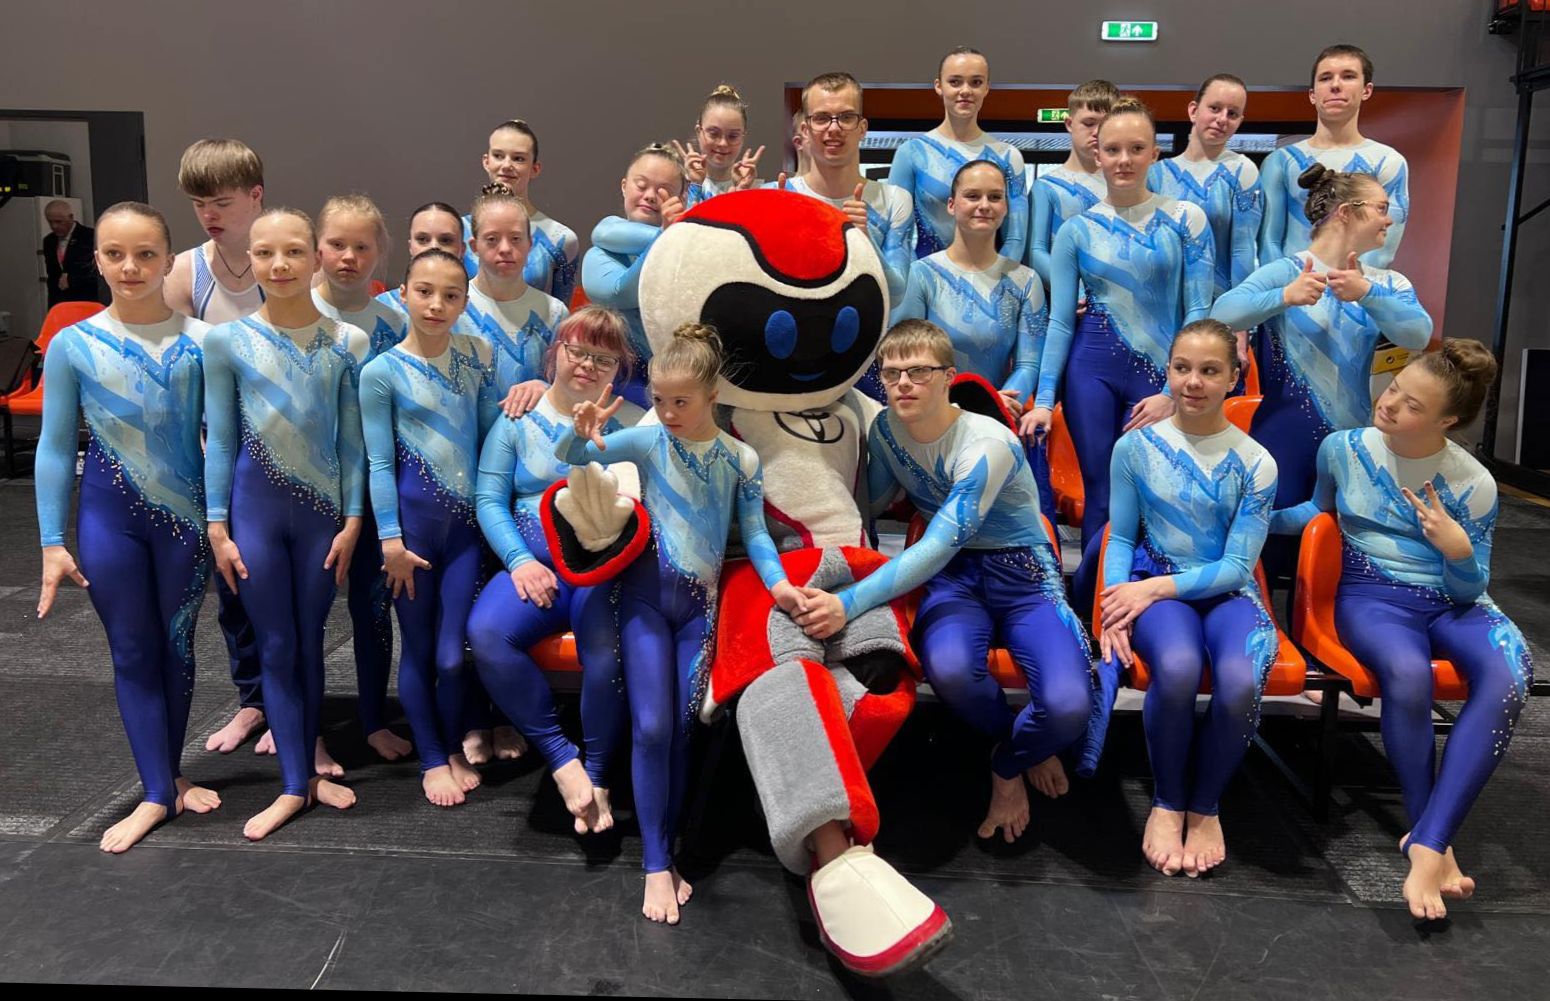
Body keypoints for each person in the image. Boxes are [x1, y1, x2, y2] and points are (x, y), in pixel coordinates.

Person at [794, 319, 1094, 844]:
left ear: (949, 377)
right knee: (952, 671)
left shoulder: (987, 443)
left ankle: (1007, 763)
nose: (903, 383)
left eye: (918, 372)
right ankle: (1017, 746)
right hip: (954, 577)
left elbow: (938, 544)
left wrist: (849, 602)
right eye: (891, 373)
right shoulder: (886, 430)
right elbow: (871, 504)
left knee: (1068, 706)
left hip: (1022, 573)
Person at [1272, 341, 1533, 921]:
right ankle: (1431, 837)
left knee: (1512, 673)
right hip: (1372, 598)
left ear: (1447, 422)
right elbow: (1316, 512)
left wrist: (1458, 551)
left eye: (1412, 405)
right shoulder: (1344, 448)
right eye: (1393, 389)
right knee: (1408, 674)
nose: (1389, 405)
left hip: (1454, 602)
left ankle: (1429, 842)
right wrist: (1253, 516)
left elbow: (1468, 588)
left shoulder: (1474, 483)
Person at [557, 324, 799, 925]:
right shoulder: (648, 441)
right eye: (660, 400)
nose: (667, 413)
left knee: (684, 731)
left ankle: (670, 846)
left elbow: (757, 534)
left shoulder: (741, 459)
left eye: (681, 402)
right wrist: (579, 434)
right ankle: (655, 864)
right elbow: (574, 460)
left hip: (698, 610)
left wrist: (778, 584)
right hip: (643, 603)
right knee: (651, 728)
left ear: (713, 395)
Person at [34, 202, 218, 853]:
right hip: (109, 519)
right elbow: (56, 446)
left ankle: (168, 775)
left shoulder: (204, 342)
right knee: (133, 651)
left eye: (145, 254)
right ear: (98, 260)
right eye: (115, 254)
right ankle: (157, 792)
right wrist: (51, 540)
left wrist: (224, 523)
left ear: (169, 260)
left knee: (177, 645)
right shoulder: (73, 344)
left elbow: (225, 443)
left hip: (185, 523)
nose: (131, 266)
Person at [203, 207, 368, 840]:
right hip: (255, 515)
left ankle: (305, 772)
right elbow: (221, 441)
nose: (279, 265)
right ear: (251, 259)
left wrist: (353, 519)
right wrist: (218, 526)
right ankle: (295, 785)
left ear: (316, 257)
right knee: (275, 643)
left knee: (310, 640)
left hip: (324, 519)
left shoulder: (347, 342)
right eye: (266, 253)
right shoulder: (226, 342)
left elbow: (352, 443)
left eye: (294, 252)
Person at [1097, 319, 1279, 879]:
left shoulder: (1257, 462)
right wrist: (1113, 607)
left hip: (1226, 591)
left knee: (1241, 681)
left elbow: (1236, 567)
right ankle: (1168, 800)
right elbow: (1121, 538)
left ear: (1234, 378)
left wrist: (1150, 588)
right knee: (1176, 668)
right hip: (1157, 583)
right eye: (1182, 368)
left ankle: (1205, 806)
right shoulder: (1134, 448)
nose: (1193, 382)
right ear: (1168, 371)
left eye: (1209, 370)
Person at [1024, 97, 1215, 606]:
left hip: (1161, 377)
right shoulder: (1076, 231)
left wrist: (1175, 391)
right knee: (1101, 491)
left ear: (1155, 153)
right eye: (1113, 149)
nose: (1124, 159)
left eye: (1136, 148)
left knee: (1158, 492)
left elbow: (1199, 312)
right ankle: (1097, 603)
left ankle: (1152, 601)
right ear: (1097, 153)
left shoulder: (1186, 220)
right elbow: (1060, 322)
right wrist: (1045, 399)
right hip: (1091, 374)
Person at [468, 306, 644, 834]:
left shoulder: (632, 424)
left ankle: (598, 775)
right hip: (533, 567)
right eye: (577, 351)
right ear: (555, 353)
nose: (587, 365)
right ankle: (561, 756)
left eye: (603, 359)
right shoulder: (518, 418)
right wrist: (519, 561)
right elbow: (489, 500)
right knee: (486, 633)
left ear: (620, 368)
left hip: (602, 572)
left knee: (605, 654)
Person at [1210, 165, 1432, 530]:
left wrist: (1368, 294)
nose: (1389, 220)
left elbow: (1418, 335)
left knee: (1339, 542)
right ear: (1346, 212)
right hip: (1284, 437)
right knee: (1273, 542)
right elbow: (1222, 314)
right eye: (1380, 208)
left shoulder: (1386, 283)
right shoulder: (1287, 272)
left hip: (1354, 441)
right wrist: (1284, 296)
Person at [360, 248, 497, 807]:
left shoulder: (478, 354)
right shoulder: (381, 373)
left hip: (464, 531)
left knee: (451, 655)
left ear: (465, 302)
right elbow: (379, 464)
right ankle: (433, 758)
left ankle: (452, 744)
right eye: (424, 291)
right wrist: (390, 540)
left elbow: (489, 437)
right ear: (403, 294)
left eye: (451, 295)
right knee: (418, 650)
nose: (436, 304)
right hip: (411, 538)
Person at [164, 139, 270, 761]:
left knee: (285, 586)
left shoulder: (288, 259)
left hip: (282, 449)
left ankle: (292, 701)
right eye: (199, 203)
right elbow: (176, 373)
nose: (209, 214)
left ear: (256, 196)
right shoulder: (185, 271)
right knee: (231, 585)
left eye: (222, 202)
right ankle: (252, 699)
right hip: (215, 446)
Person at [312, 194, 412, 762]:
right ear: (318, 248)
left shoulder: (395, 323)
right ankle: (302, 726)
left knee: (373, 608)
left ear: (380, 252)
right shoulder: (292, 311)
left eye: (361, 246)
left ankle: (374, 717)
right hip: (307, 486)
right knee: (306, 614)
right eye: (337, 244)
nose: (348, 257)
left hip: (374, 483)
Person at [895, 160, 1045, 414]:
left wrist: (993, 405)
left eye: (995, 197)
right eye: (973, 196)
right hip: (932, 413)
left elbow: (1029, 365)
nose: (984, 205)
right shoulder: (922, 275)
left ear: (1005, 207)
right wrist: (961, 404)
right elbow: (906, 355)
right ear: (951, 205)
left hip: (998, 414)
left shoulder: (1026, 281)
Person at [776, 72, 914, 314]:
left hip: (864, 336)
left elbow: (896, 295)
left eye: (846, 117)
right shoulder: (775, 196)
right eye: (821, 118)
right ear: (805, 129)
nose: (834, 128)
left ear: (862, 128)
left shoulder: (894, 200)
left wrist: (866, 241)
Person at [1260, 44, 1408, 268]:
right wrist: (1287, 286)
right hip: (1293, 284)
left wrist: (1351, 286)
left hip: (1358, 285)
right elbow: (1268, 242)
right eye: (1325, 78)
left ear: (1366, 90)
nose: (1335, 85)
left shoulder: (1388, 162)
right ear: (1312, 94)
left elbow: (1382, 251)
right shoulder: (1280, 161)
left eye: (1348, 76)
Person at [887, 47, 1028, 262]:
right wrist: (915, 279)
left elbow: (1015, 239)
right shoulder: (911, 153)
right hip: (926, 277)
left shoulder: (1007, 157)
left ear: (987, 88)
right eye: (955, 82)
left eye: (976, 82)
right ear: (939, 86)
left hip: (991, 278)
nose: (965, 91)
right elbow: (897, 239)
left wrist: (995, 278)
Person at [581, 143, 688, 408]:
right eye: (641, 185)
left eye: (663, 190)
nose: (650, 196)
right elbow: (621, 292)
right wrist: (668, 236)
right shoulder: (599, 251)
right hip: (617, 386)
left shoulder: (687, 252)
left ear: (681, 197)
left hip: (679, 383)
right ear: (624, 186)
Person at [1148, 75, 1263, 301]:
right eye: (1215, 108)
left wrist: (1239, 312)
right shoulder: (1156, 174)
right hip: (1162, 301)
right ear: (1193, 110)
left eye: (1232, 113)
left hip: (1216, 303)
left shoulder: (1242, 171)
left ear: (1240, 121)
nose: (1222, 119)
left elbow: (1243, 249)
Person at [463, 186, 566, 416]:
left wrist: (546, 388)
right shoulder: (453, 307)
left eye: (516, 239)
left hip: (523, 433)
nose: (505, 249)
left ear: (530, 244)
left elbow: (569, 389)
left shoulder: (554, 312)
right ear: (474, 246)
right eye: (492, 239)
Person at [463, 120, 580, 305]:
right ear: (486, 161)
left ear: (535, 168)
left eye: (518, 159)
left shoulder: (560, 238)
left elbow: (561, 313)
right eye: (498, 156)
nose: (506, 165)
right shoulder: (459, 231)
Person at [1026, 80, 1118, 286]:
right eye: (1089, 123)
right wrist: (1073, 288)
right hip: (1065, 297)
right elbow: (1035, 252)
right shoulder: (1046, 187)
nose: (1097, 132)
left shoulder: (1125, 185)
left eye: (1105, 124)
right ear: (1069, 124)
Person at [376, 201, 465, 322]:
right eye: (422, 239)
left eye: (445, 240)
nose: (434, 246)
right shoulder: (383, 307)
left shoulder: (478, 309)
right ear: (410, 247)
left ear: (462, 249)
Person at [677, 84, 764, 207]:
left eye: (732, 136)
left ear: (743, 137)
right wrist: (695, 185)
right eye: (714, 134)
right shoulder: (676, 187)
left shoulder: (756, 191)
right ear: (699, 132)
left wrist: (742, 191)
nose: (723, 143)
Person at [41, 200, 102, 307]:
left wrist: (71, 280)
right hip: (60, 302)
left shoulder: (90, 237)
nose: (54, 226)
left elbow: (99, 274)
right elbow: (52, 277)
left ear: (71, 217)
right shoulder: (49, 241)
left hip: (86, 300)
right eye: (50, 222)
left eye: (59, 222)